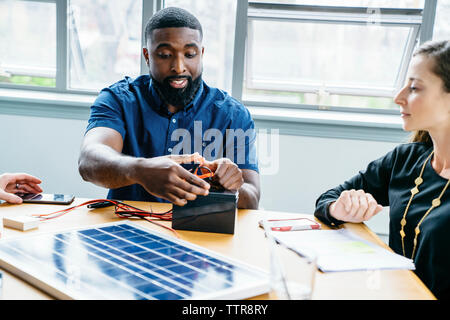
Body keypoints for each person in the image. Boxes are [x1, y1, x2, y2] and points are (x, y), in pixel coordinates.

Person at [78, 7, 260, 209]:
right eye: (165, 55)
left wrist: (229, 186)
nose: (179, 66)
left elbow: (252, 198)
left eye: (190, 54)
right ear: (147, 56)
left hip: (200, 232)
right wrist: (142, 171)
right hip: (126, 227)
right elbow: (89, 161)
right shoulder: (118, 100)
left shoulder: (233, 115)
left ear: (201, 53)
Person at [314, 40, 450, 299]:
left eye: (414, 88)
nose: (398, 97)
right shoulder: (406, 159)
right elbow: (326, 199)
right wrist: (340, 208)